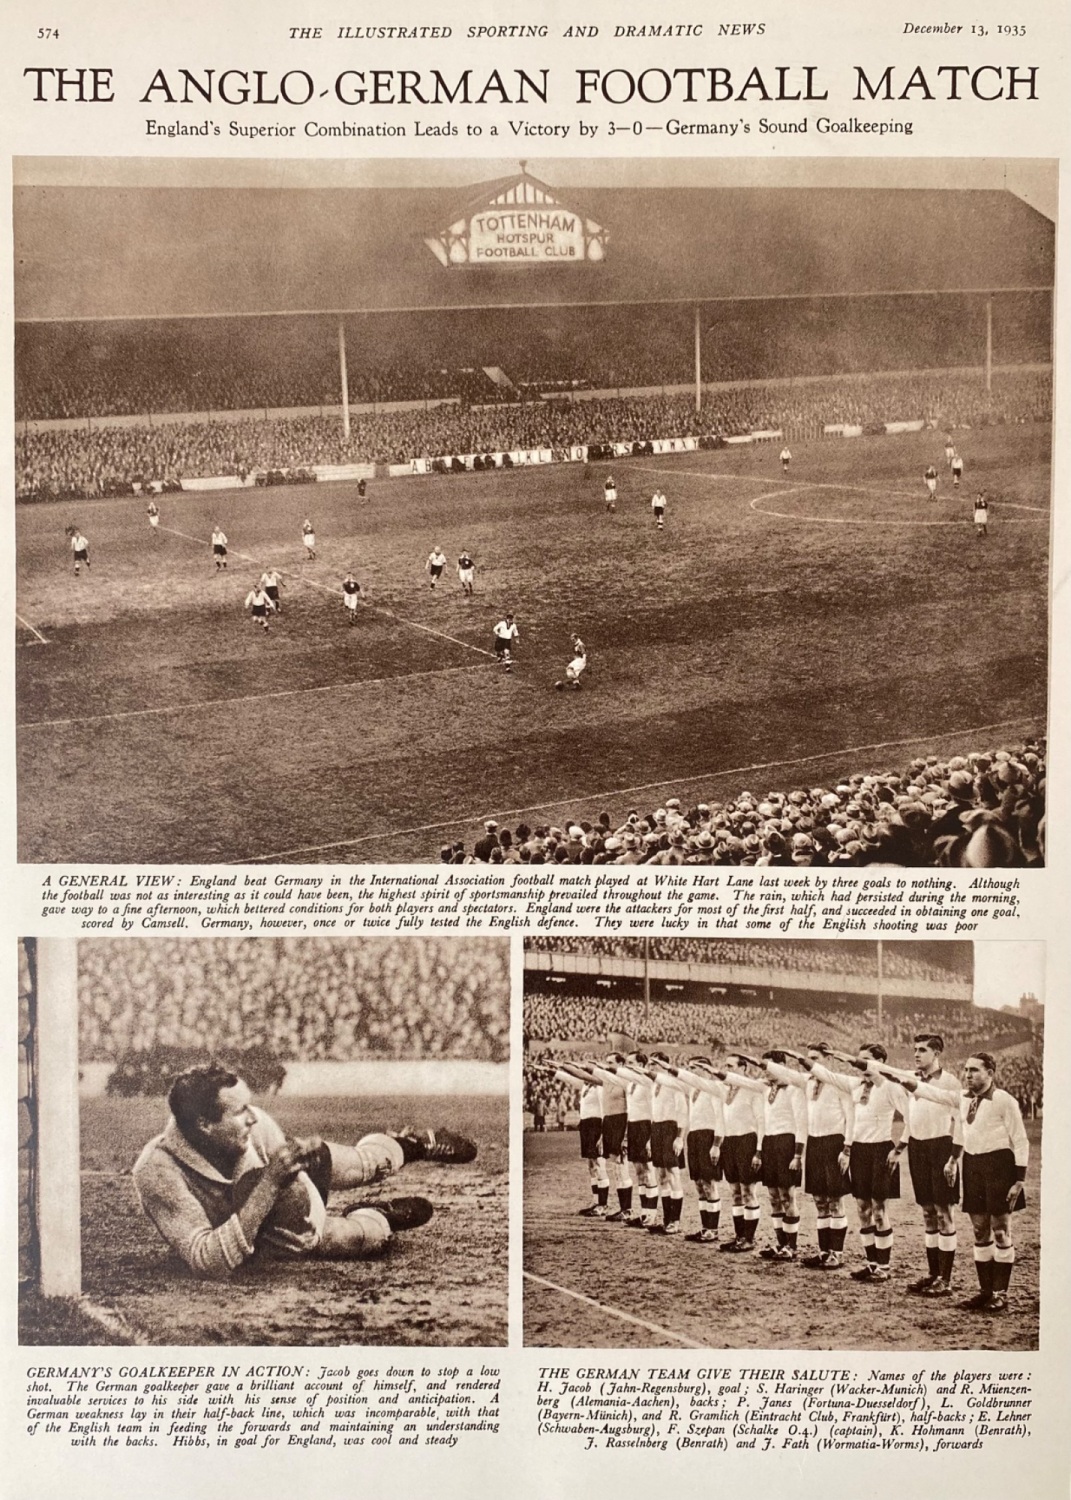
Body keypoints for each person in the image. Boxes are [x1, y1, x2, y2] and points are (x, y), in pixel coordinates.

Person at [131, 1063, 477, 1277]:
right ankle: (379, 1216)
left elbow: (298, 1198)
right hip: (261, 1216)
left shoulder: (256, 1125)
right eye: (239, 1111)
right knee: (358, 1239)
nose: (253, 1116)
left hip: (283, 1195)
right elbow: (207, 1262)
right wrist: (270, 1187)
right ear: (204, 1125)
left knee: (363, 1165)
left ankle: (415, 1143)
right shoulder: (158, 1170)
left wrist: (285, 1185)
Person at [892, 1053, 1028, 1313]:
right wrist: (899, 1077)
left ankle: (1000, 1293)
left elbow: (1021, 1141)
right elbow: (930, 1092)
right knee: (979, 1230)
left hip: (1000, 1166)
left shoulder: (1003, 1100)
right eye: (966, 1070)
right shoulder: (963, 1098)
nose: (968, 1074)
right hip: (973, 1166)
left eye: (975, 1070)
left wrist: (1019, 1180)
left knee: (1000, 1230)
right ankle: (985, 1292)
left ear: (990, 1073)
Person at [808, 1044, 909, 1283]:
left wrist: (899, 1148)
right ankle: (871, 1264)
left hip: (881, 1150)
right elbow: (827, 1075)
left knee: (879, 1211)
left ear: (879, 1061)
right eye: (858, 1060)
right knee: (863, 1210)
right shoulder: (855, 1085)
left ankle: (884, 1267)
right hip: (859, 1152)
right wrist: (821, 1057)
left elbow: (910, 1118)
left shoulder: (890, 1087)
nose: (860, 1065)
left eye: (865, 1060)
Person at [876, 1034, 962, 1298]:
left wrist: (953, 1158)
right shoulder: (911, 1078)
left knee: (943, 1211)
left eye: (922, 1050)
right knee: (927, 1212)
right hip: (919, 1148)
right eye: (915, 1050)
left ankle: (945, 1280)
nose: (916, 1054)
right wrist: (901, 1147)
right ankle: (933, 1274)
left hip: (941, 1147)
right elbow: (910, 1117)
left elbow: (959, 1121)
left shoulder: (950, 1082)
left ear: (936, 1053)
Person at [766, 1046, 854, 1270]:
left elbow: (851, 1119)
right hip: (815, 1144)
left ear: (827, 1060)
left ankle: (837, 1253)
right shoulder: (807, 1083)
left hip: (834, 1142)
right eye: (808, 1059)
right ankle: (824, 1252)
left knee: (835, 1200)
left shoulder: (839, 1083)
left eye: (815, 1059)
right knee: (819, 1201)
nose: (808, 1063)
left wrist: (846, 1149)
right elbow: (784, 1074)